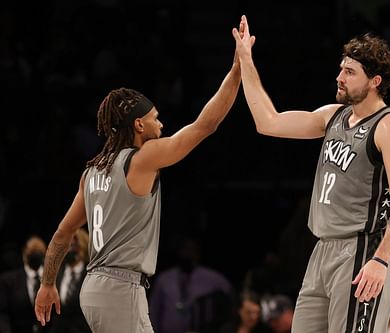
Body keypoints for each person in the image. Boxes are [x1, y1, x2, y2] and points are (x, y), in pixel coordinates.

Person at [34, 24, 248, 332]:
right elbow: (204, 126)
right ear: (138, 125)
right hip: (121, 287)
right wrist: (236, 70)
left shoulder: (91, 172)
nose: (160, 124)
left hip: (93, 288)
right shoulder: (141, 159)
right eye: (155, 118)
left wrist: (47, 283)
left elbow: (61, 234)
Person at [232, 14, 390, 333]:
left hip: (363, 248)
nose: (339, 77)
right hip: (322, 249)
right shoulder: (332, 116)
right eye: (341, 69)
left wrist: (382, 259)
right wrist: (246, 59)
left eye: (349, 72)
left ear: (375, 81)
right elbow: (268, 122)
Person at [149, 235, 233, 333]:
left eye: (192, 249)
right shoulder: (164, 279)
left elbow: (229, 292)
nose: (188, 253)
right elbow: (154, 310)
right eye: (185, 249)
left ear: (198, 253)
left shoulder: (211, 278)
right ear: (179, 251)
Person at [0, 235, 50, 333]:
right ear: (24, 253)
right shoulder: (8, 281)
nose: (35, 254)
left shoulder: (53, 280)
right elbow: (2, 313)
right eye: (32, 251)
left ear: (44, 254)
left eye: (38, 251)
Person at [49, 228, 91, 333]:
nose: (70, 250)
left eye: (74, 246)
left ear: (82, 247)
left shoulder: (90, 275)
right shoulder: (56, 273)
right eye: (68, 246)